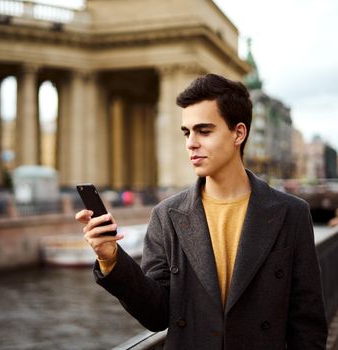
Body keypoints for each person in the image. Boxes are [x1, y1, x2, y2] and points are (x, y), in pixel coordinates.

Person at [76, 74, 327, 349]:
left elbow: (308, 324)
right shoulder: (167, 215)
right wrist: (112, 259)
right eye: (187, 132)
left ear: (238, 133)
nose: (191, 143)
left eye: (204, 131)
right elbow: (157, 315)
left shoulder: (291, 213)